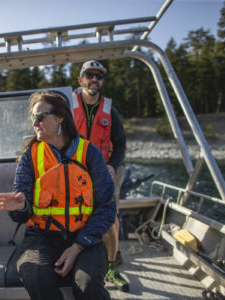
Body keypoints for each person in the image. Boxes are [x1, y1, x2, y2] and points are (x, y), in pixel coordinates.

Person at [0, 91, 116, 300]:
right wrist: (20, 206)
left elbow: (106, 207)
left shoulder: (89, 153)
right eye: (32, 118)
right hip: (41, 238)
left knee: (88, 284)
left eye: (40, 117)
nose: (34, 123)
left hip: (84, 238)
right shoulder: (30, 157)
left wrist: (77, 246)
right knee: (37, 277)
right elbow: (22, 213)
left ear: (60, 117)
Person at [73, 60, 128, 291]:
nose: (94, 79)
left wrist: (113, 165)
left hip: (105, 170)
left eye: (99, 76)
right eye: (89, 75)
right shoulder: (68, 106)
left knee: (109, 216)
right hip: (75, 171)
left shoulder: (110, 112)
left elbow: (121, 144)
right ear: (81, 80)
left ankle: (112, 266)